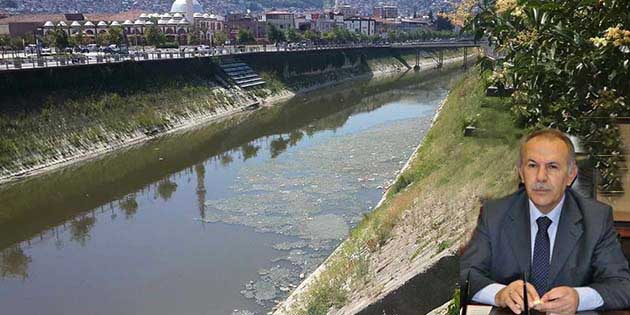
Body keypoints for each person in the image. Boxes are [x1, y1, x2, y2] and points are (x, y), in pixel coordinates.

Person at [460, 128, 630, 313]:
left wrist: (579, 298)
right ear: (521, 172)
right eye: (532, 165)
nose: (541, 177)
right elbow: (465, 275)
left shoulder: (596, 218)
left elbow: (622, 286)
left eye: (552, 166)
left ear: (571, 174)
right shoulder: (495, 214)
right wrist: (500, 293)